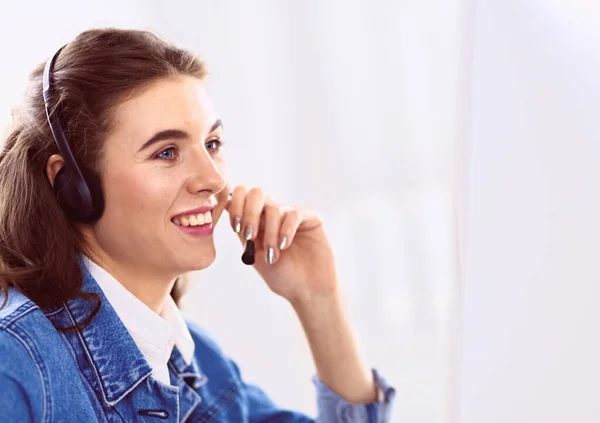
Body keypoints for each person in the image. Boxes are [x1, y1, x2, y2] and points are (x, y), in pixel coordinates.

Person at [0, 28, 395, 422]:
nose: (213, 180)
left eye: (212, 144)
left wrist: (318, 299)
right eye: (167, 152)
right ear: (73, 184)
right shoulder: (15, 365)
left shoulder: (200, 365)